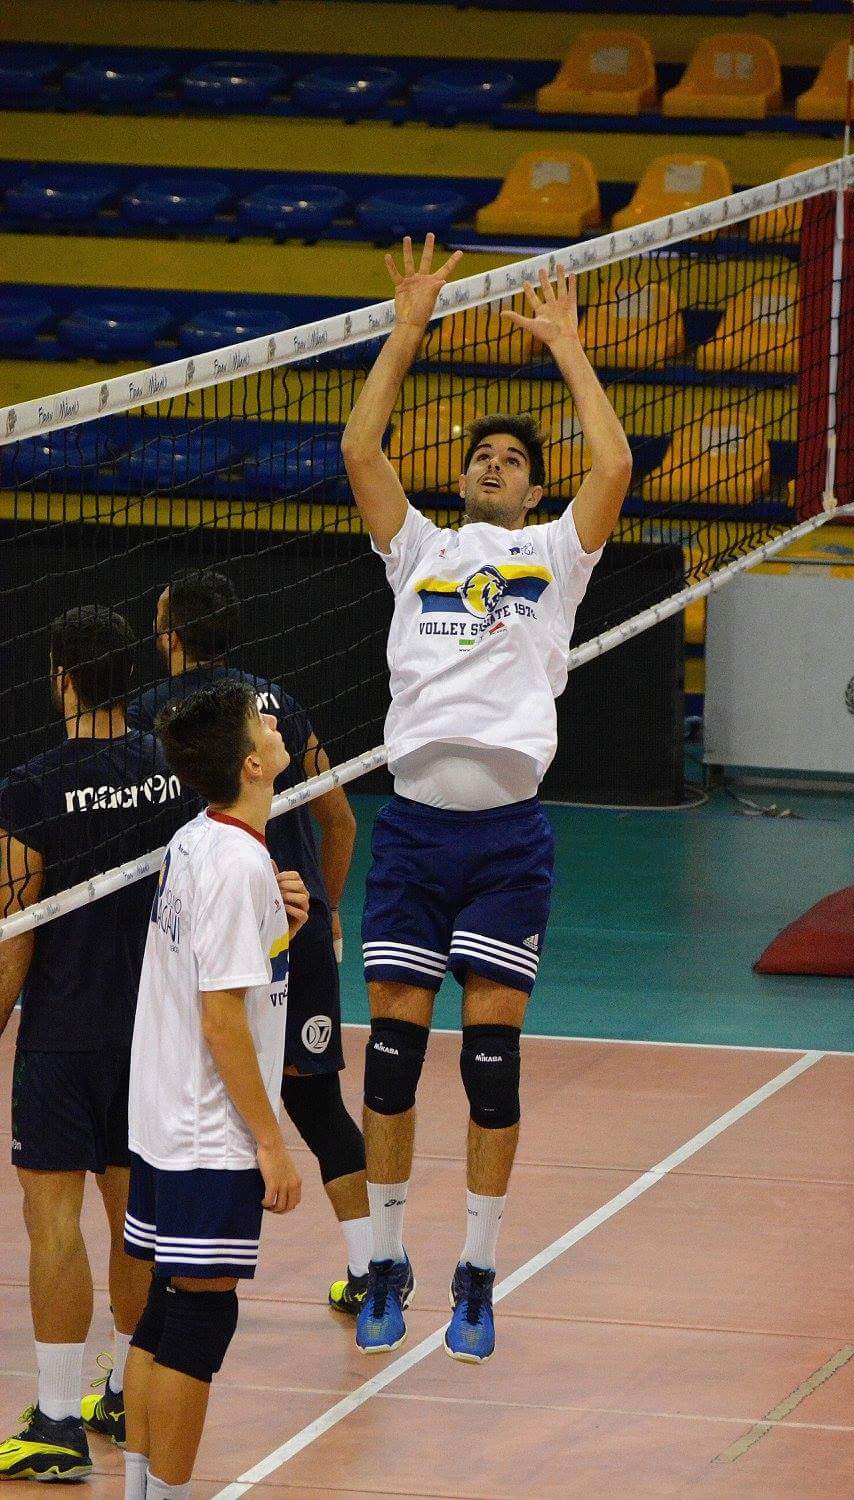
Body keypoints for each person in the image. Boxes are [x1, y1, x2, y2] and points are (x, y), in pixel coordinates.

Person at [341, 232, 632, 1361]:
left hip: (507, 841)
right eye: (484, 456)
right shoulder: (417, 549)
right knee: (396, 1063)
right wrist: (408, 326)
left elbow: (612, 468)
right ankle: (385, 1262)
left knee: (492, 1065)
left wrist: (565, 347)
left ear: (534, 484)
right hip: (413, 831)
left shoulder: (559, 556)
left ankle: (477, 1269)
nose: (496, 464)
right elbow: (362, 447)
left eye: (515, 457)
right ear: (463, 480)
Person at [128, 569, 370, 1311]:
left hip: (220, 942)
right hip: (281, 931)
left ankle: (156, 1309)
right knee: (317, 1101)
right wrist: (324, 910)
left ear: (169, 636)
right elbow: (342, 819)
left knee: (187, 1103)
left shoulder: (150, 715)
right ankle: (375, 1269)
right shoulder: (280, 704)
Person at [0, 606, 189, 1479]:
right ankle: (123, 1388)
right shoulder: (174, 771)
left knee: (53, 1225)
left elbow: (17, 927)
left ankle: (56, 1419)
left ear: (62, 678)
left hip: (64, 1038)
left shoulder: (32, 786)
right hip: (150, 1037)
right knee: (134, 1227)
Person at [121, 679, 307, 1500]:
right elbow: (223, 1020)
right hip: (208, 1133)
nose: (274, 722)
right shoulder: (235, 862)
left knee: (166, 1310)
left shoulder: (198, 839)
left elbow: (219, 961)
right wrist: (271, 1141)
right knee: (200, 1318)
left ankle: (138, 1489)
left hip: (164, 1120)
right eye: (261, 722)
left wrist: (280, 926)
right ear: (253, 764)